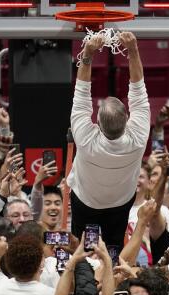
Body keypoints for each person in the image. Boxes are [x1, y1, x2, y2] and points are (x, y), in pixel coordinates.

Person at [68, 31, 150, 248]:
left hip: (86, 204)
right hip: (120, 204)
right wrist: (132, 50)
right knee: (114, 249)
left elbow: (81, 93)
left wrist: (87, 53)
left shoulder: (86, 139)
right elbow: (138, 92)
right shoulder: (139, 137)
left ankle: (85, 275)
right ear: (127, 119)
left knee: (86, 249)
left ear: (97, 124)